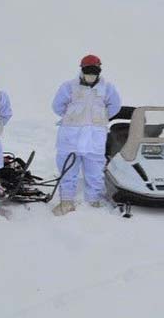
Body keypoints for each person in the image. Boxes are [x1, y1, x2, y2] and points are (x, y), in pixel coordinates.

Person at [51, 54, 121, 215]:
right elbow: (57, 106)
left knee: (95, 170)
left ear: (99, 71)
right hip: (70, 137)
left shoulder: (107, 89)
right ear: (82, 70)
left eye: (94, 70)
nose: (91, 73)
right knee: (68, 169)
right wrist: (73, 117)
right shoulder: (68, 87)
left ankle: (93, 202)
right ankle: (66, 201)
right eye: (88, 70)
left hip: (94, 138)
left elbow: (114, 107)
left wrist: (98, 119)